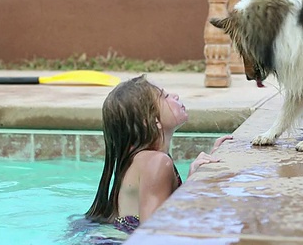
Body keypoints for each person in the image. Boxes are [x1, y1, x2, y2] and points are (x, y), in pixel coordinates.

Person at [85, 74, 232, 235]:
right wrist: (191, 189)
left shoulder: (145, 160)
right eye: (165, 96)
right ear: (151, 121)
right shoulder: (157, 163)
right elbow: (153, 235)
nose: (176, 96)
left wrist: (194, 180)